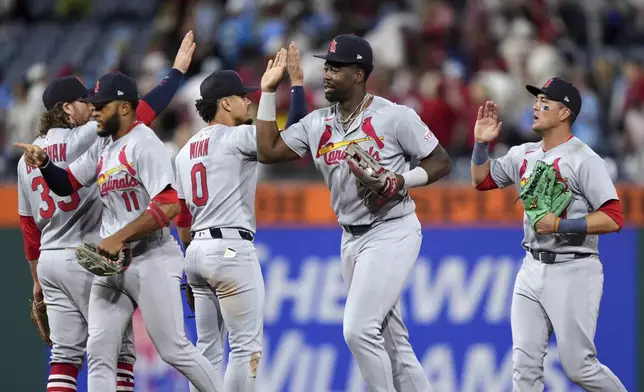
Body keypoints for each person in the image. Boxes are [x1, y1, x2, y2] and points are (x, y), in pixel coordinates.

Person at [255, 37, 452, 392]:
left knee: (358, 329)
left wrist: (399, 180)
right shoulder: (318, 124)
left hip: (392, 228)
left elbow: (440, 161)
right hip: (350, 238)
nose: (326, 74)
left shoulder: (394, 116)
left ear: (359, 74)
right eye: (326, 66)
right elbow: (268, 150)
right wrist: (269, 92)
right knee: (393, 344)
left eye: (335, 68)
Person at [16, 70, 224, 392]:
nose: (95, 110)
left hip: (152, 257)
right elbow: (65, 184)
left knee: (174, 349)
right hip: (112, 266)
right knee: (99, 353)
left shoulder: (144, 143)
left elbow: (169, 206)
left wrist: (119, 236)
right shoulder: (104, 147)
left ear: (124, 107)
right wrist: (44, 163)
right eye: (92, 104)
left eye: (101, 104)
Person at [470, 77, 627, 392]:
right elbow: (482, 181)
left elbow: (614, 217)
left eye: (545, 102)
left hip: (575, 267)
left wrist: (560, 225)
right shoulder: (522, 154)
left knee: (579, 366)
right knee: (524, 370)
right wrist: (481, 144)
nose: (535, 107)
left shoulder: (585, 159)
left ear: (564, 112)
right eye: (536, 100)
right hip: (531, 266)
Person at [173, 49, 308, 392]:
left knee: (207, 353)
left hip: (196, 252)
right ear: (225, 103)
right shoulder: (237, 138)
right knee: (246, 348)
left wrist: (191, 260)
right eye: (242, 97)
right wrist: (295, 87)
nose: (248, 102)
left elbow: (183, 215)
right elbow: (292, 139)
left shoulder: (185, 150)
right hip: (231, 251)